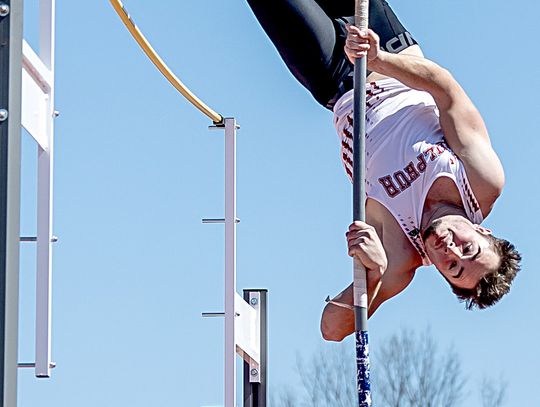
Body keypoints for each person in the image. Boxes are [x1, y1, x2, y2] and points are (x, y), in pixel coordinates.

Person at [245, 0, 521, 341]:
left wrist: (372, 275)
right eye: (468, 250)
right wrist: (378, 60)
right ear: (485, 233)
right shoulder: (481, 181)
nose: (451, 250)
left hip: (334, 79)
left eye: (453, 268)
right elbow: (446, 90)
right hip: (387, 48)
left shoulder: (397, 259)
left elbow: (330, 329)